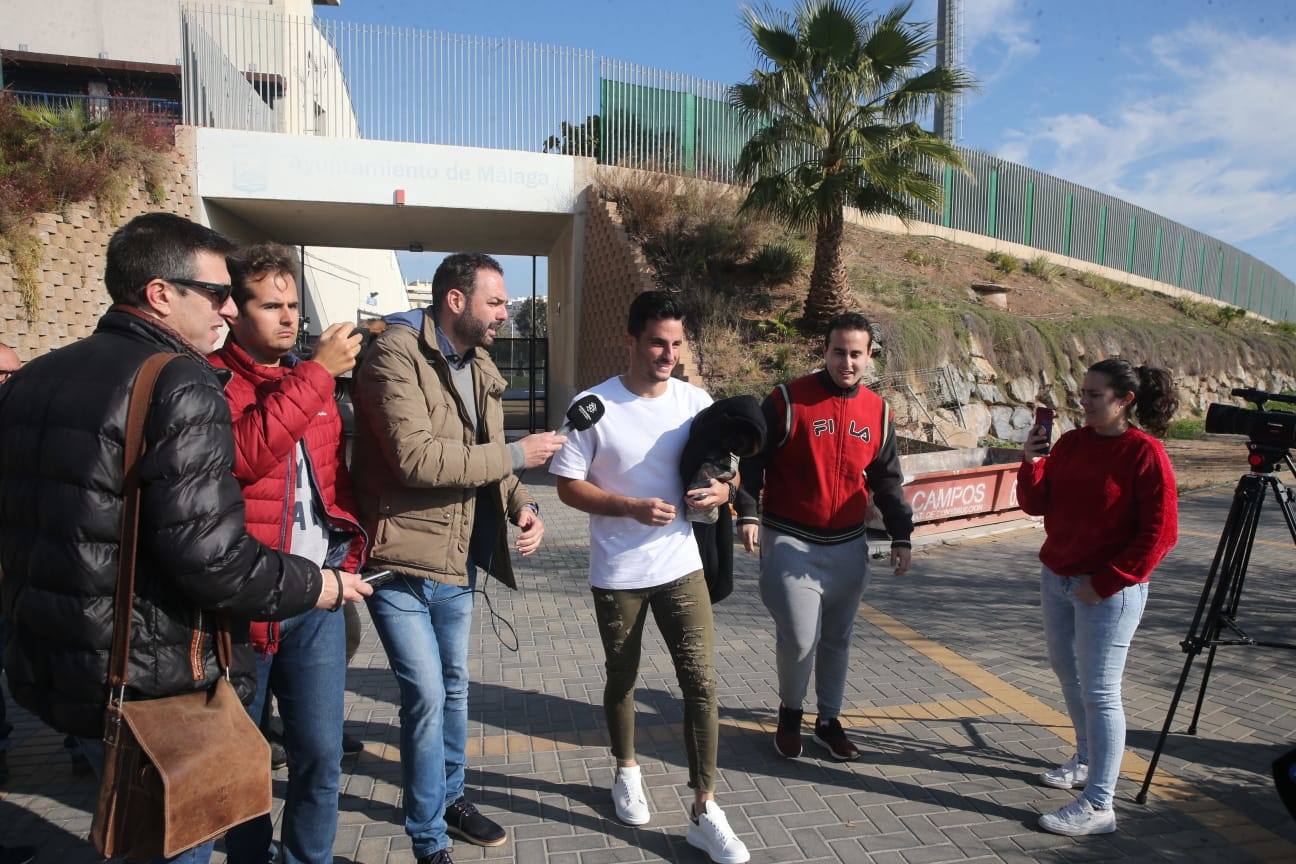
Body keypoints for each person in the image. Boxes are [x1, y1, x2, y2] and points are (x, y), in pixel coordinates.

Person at [0, 213, 371, 864]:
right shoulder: (182, 380)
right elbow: (213, 560)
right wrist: (323, 583)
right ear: (160, 293)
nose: (227, 310)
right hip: (151, 674)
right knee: (183, 842)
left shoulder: (32, 377)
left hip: (61, 667)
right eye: (216, 293)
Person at [351, 253, 564, 864]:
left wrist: (523, 505)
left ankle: (450, 797)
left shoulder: (481, 365)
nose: (505, 313)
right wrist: (520, 458)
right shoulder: (393, 356)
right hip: (397, 562)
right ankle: (428, 839)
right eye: (496, 302)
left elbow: (486, 453)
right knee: (423, 696)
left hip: (459, 560)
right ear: (454, 301)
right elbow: (417, 461)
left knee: (453, 689)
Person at [550, 291, 751, 864]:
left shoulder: (696, 400)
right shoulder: (592, 406)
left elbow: (727, 471)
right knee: (624, 676)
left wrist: (723, 490)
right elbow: (567, 483)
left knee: (701, 684)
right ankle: (626, 769)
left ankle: (705, 808)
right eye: (658, 342)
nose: (668, 354)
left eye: (677, 343)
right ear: (632, 341)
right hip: (617, 571)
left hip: (681, 565)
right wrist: (627, 506)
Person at [211, 243, 367, 864]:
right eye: (270, 306)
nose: (287, 318)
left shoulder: (314, 385)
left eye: (293, 305)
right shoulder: (210, 380)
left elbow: (337, 481)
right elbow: (246, 454)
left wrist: (347, 558)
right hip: (242, 609)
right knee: (243, 764)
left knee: (320, 756)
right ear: (232, 312)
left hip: (315, 602)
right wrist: (318, 374)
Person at [736, 312, 913, 762]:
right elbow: (753, 459)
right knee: (798, 639)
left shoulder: (879, 411)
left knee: (837, 638)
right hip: (792, 539)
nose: (847, 362)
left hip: (848, 545)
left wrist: (901, 535)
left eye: (857, 353)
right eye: (839, 352)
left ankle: (828, 721)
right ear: (825, 350)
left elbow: (887, 480)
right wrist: (749, 513)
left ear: (869, 356)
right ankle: (790, 714)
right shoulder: (788, 399)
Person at [1017, 357, 1179, 836]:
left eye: (1094, 394)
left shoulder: (1145, 454)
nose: (1083, 402)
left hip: (1108, 592)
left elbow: (1160, 534)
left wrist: (1105, 582)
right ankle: (1085, 760)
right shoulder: (1071, 444)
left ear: (1125, 400)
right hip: (1058, 576)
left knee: (1101, 692)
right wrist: (1031, 462)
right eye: (1082, 392)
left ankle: (1100, 804)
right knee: (1070, 677)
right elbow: (1035, 504)